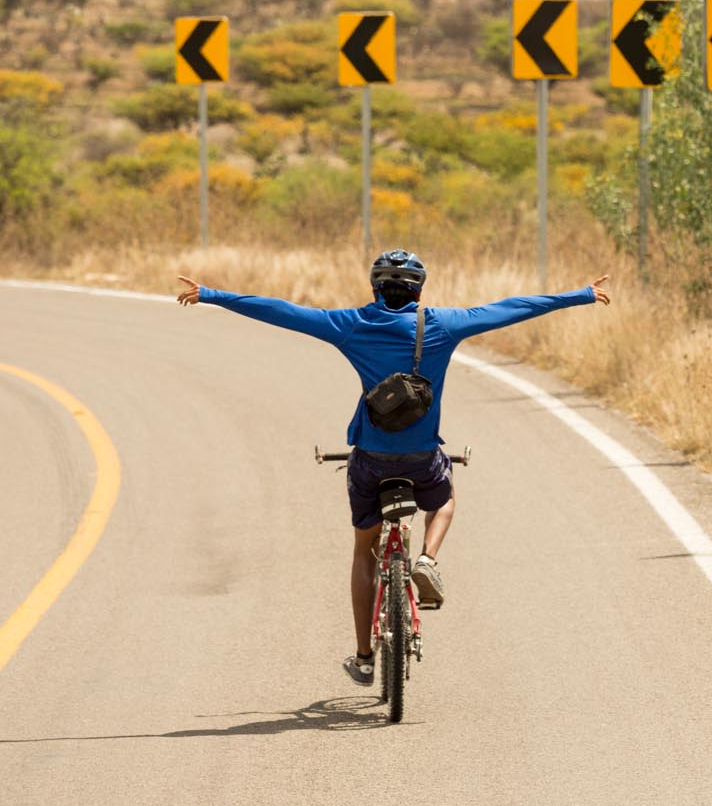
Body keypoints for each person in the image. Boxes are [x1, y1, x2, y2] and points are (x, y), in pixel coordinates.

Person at [175, 250, 610, 685]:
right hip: (422, 457)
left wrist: (214, 294)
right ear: (420, 289)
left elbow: (283, 312)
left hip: (370, 459)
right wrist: (582, 295)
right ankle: (426, 558)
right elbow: (512, 308)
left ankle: (364, 656)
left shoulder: (351, 325)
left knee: (364, 549)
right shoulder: (443, 324)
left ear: (374, 287)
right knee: (444, 501)